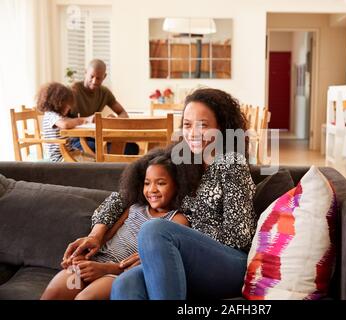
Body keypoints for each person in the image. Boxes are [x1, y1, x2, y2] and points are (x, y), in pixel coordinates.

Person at [63, 88, 256, 299]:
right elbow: (124, 196)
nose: (193, 133)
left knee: (154, 230)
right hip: (182, 256)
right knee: (124, 285)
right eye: (187, 125)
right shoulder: (179, 158)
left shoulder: (232, 166)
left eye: (203, 125)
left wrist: (166, 246)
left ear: (223, 128)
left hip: (229, 264)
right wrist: (96, 235)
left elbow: (239, 237)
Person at [40, 148, 190, 300]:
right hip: (96, 262)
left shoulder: (177, 220)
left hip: (119, 272)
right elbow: (107, 237)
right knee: (54, 293)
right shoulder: (134, 207)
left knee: (85, 298)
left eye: (161, 183)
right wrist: (84, 255)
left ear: (178, 186)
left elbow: (158, 259)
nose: (152, 190)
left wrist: (107, 269)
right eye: (147, 183)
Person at [70, 59, 138, 155]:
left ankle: (113, 168)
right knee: (100, 149)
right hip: (77, 138)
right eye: (91, 76)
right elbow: (62, 120)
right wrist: (85, 119)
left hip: (97, 137)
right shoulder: (73, 91)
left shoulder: (104, 92)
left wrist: (115, 120)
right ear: (85, 73)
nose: (94, 81)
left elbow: (123, 113)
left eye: (98, 78)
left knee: (131, 147)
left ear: (104, 77)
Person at [37, 82, 92, 162]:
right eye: (67, 106)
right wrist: (82, 120)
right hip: (59, 157)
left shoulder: (57, 116)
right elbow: (65, 124)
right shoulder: (51, 115)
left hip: (68, 152)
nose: (69, 109)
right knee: (91, 163)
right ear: (58, 103)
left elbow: (66, 122)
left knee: (92, 159)